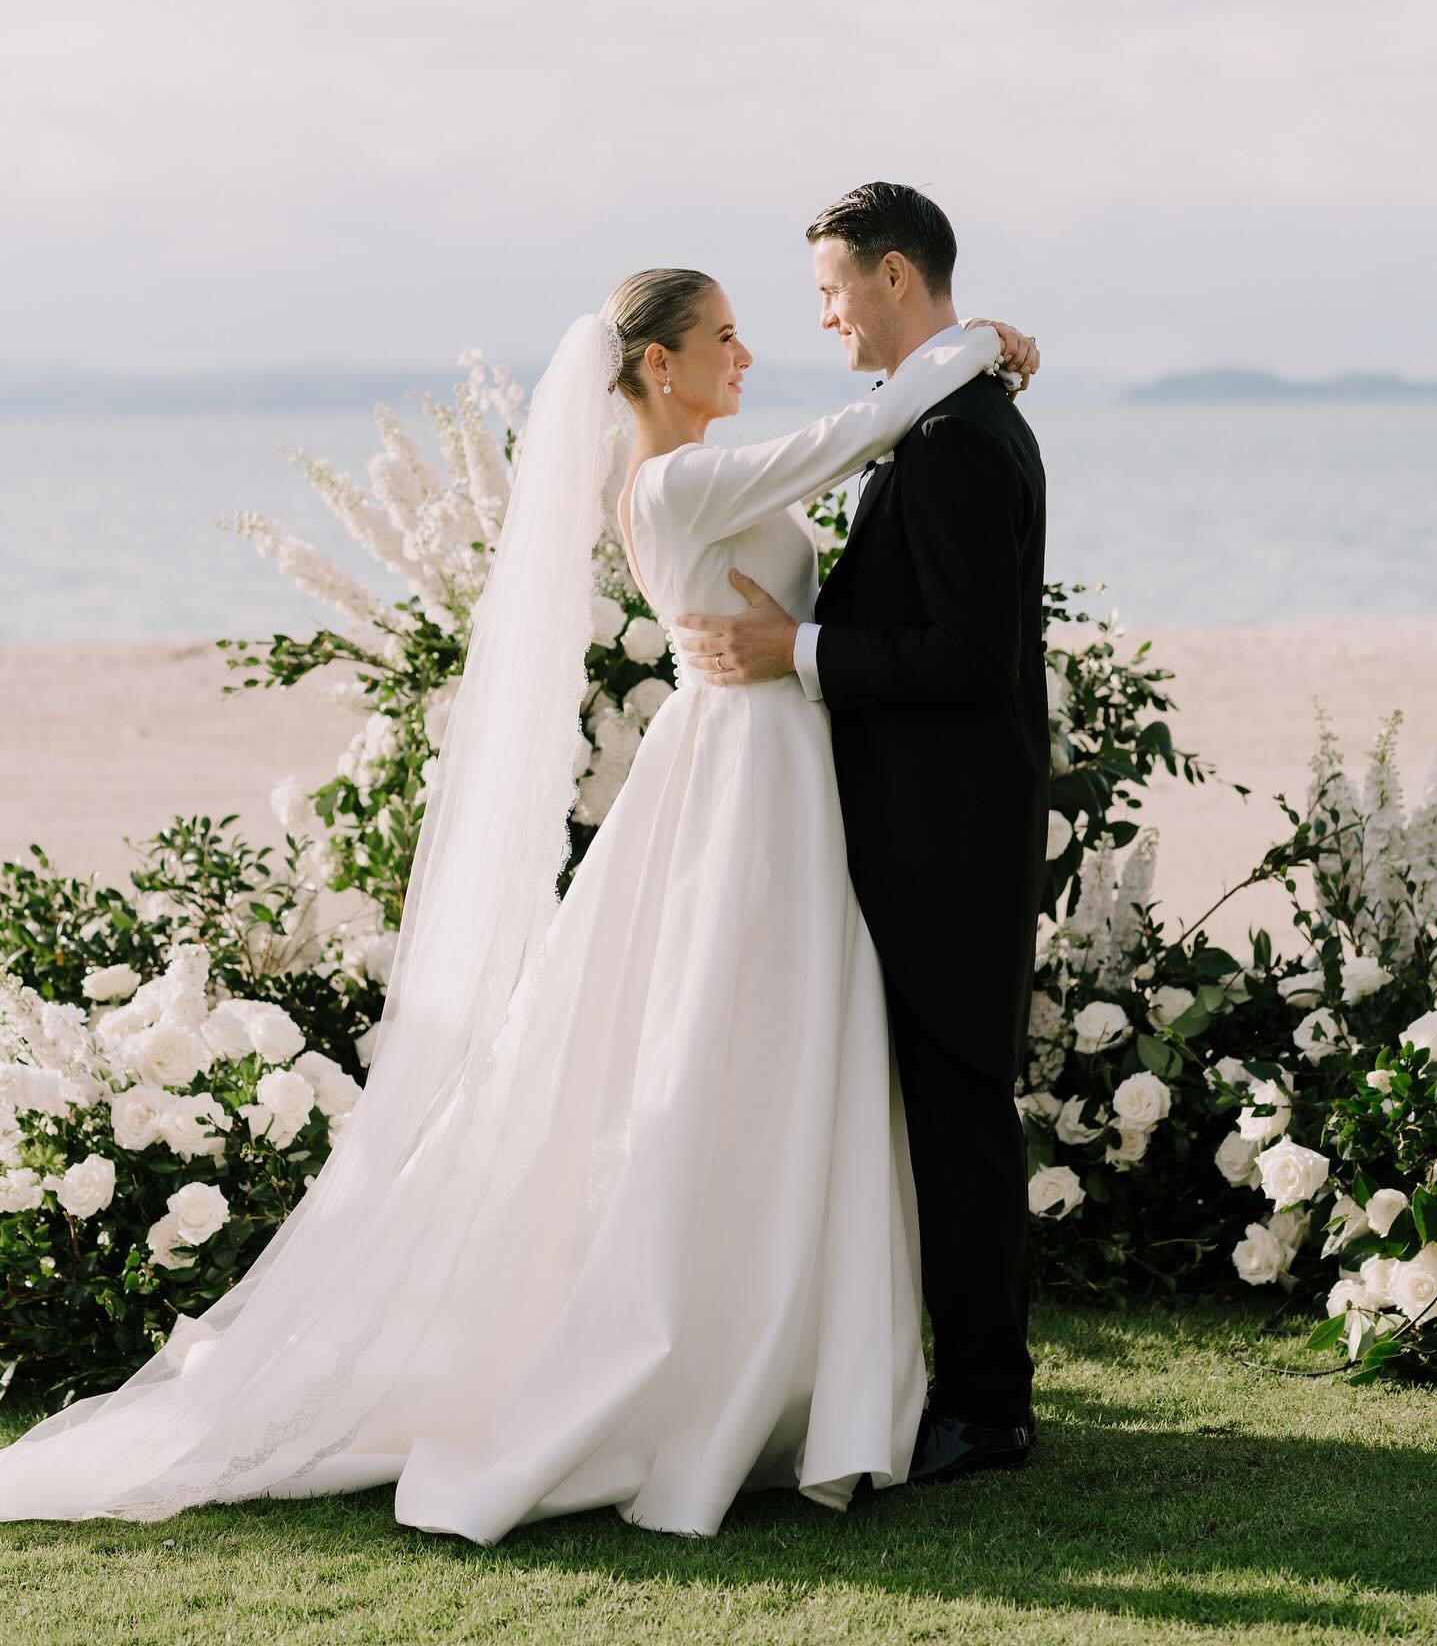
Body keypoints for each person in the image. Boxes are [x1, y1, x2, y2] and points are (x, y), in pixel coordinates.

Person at [0, 258, 1038, 1540]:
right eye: (723, 335)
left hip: (774, 769)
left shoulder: (692, 471)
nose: (748, 353)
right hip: (743, 778)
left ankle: (799, 1359)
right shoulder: (674, 482)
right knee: (732, 1048)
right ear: (657, 364)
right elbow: (854, 432)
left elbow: (845, 452)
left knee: (781, 1052)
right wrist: (978, 342)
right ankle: (720, 1358)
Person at [675, 183, 1049, 1478]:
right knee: (942, 1115)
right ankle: (953, 1379)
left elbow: (971, 657)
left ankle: (988, 1403)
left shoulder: (952, 443)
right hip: (926, 829)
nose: (824, 314)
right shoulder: (949, 417)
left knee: (957, 1115)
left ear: (897, 276)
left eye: (835, 288)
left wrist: (803, 648)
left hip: (948, 839)